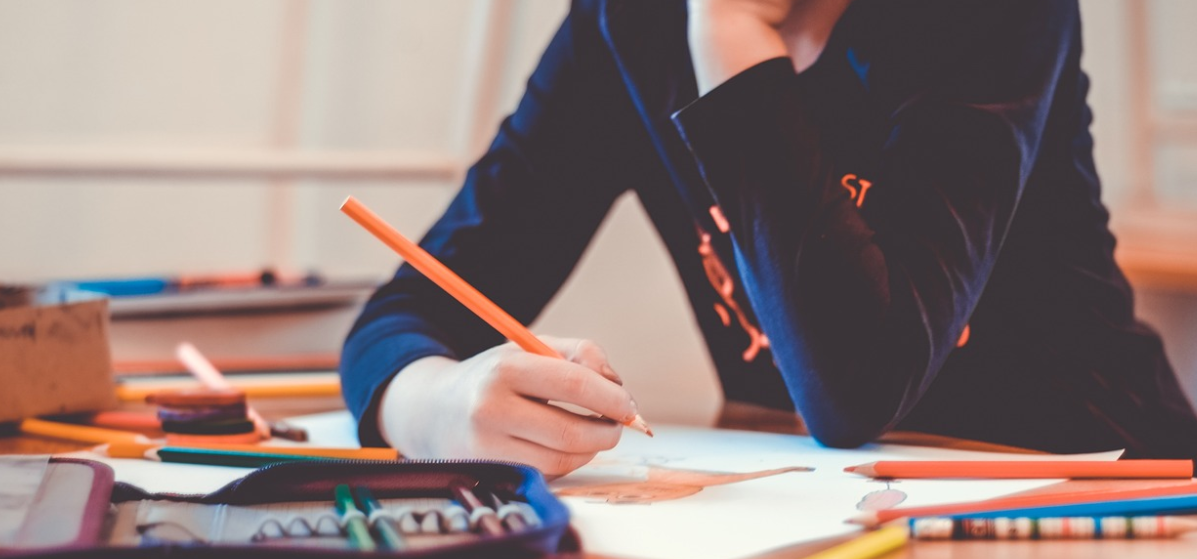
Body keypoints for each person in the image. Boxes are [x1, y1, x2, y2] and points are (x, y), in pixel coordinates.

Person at [340, 0, 1197, 476]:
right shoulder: (627, 25)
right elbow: (411, 306)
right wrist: (433, 405)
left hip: (1093, 486)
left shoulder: (983, 17)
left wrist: (728, 38)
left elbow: (856, 389)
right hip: (824, 509)